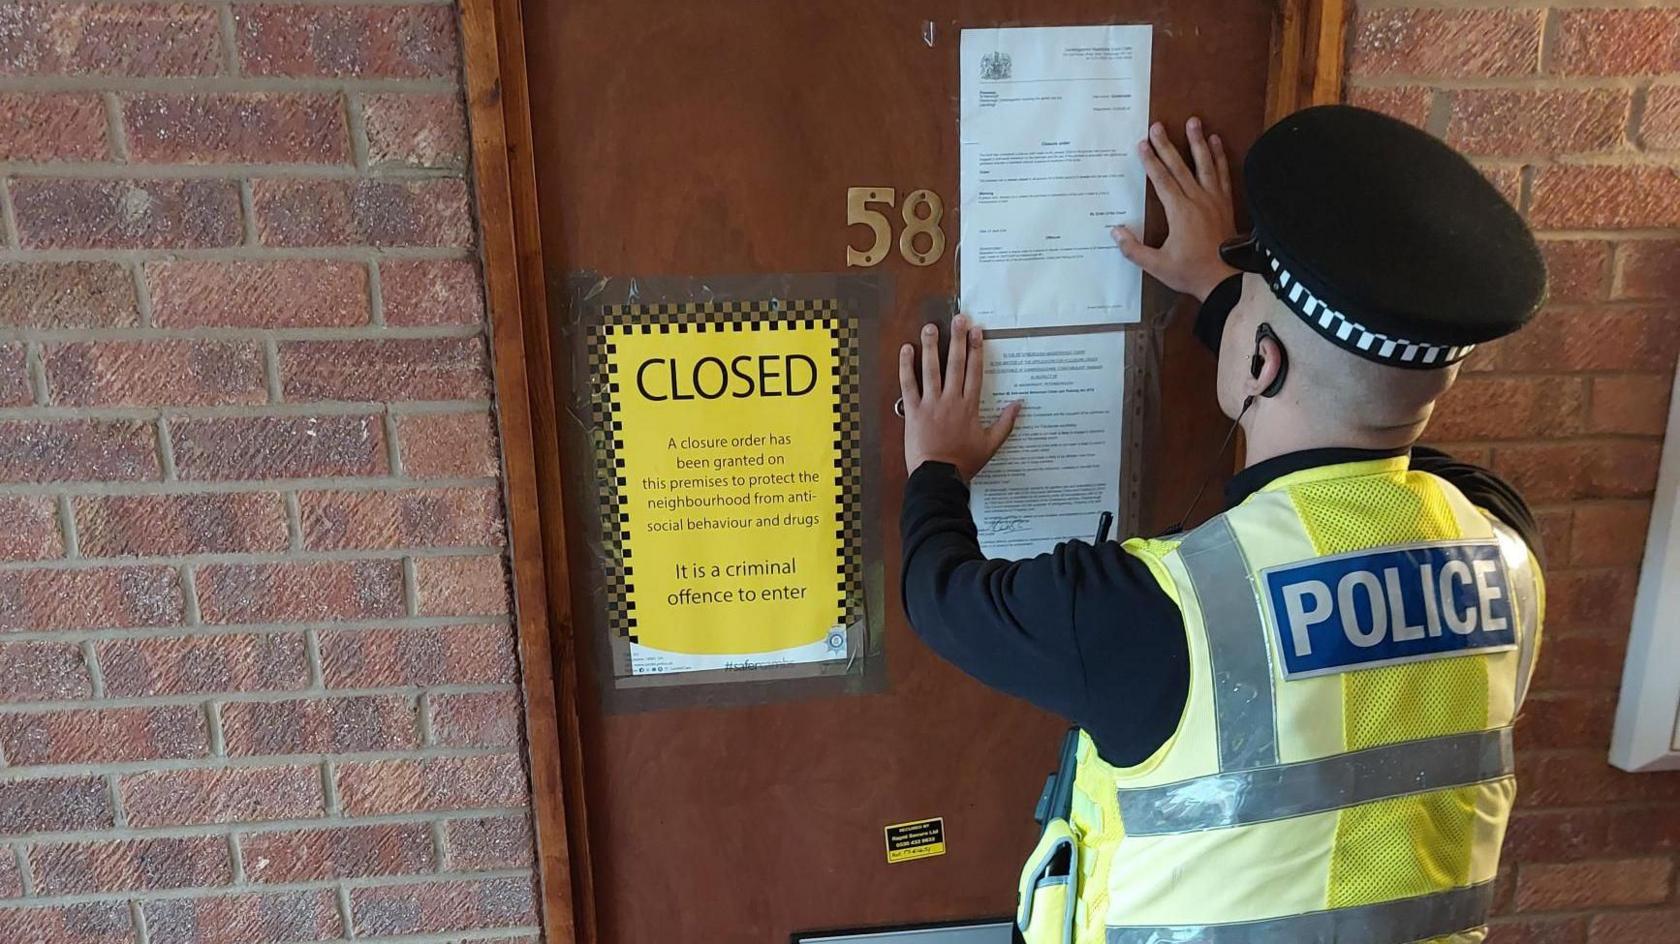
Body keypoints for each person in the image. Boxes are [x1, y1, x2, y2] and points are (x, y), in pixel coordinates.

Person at [898, 105, 1547, 944]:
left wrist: (936, 466)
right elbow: (1369, 419)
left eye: (1247, 304)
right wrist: (1225, 296)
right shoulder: (1506, 546)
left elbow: (937, 592)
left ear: (1260, 361)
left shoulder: (1156, 613)